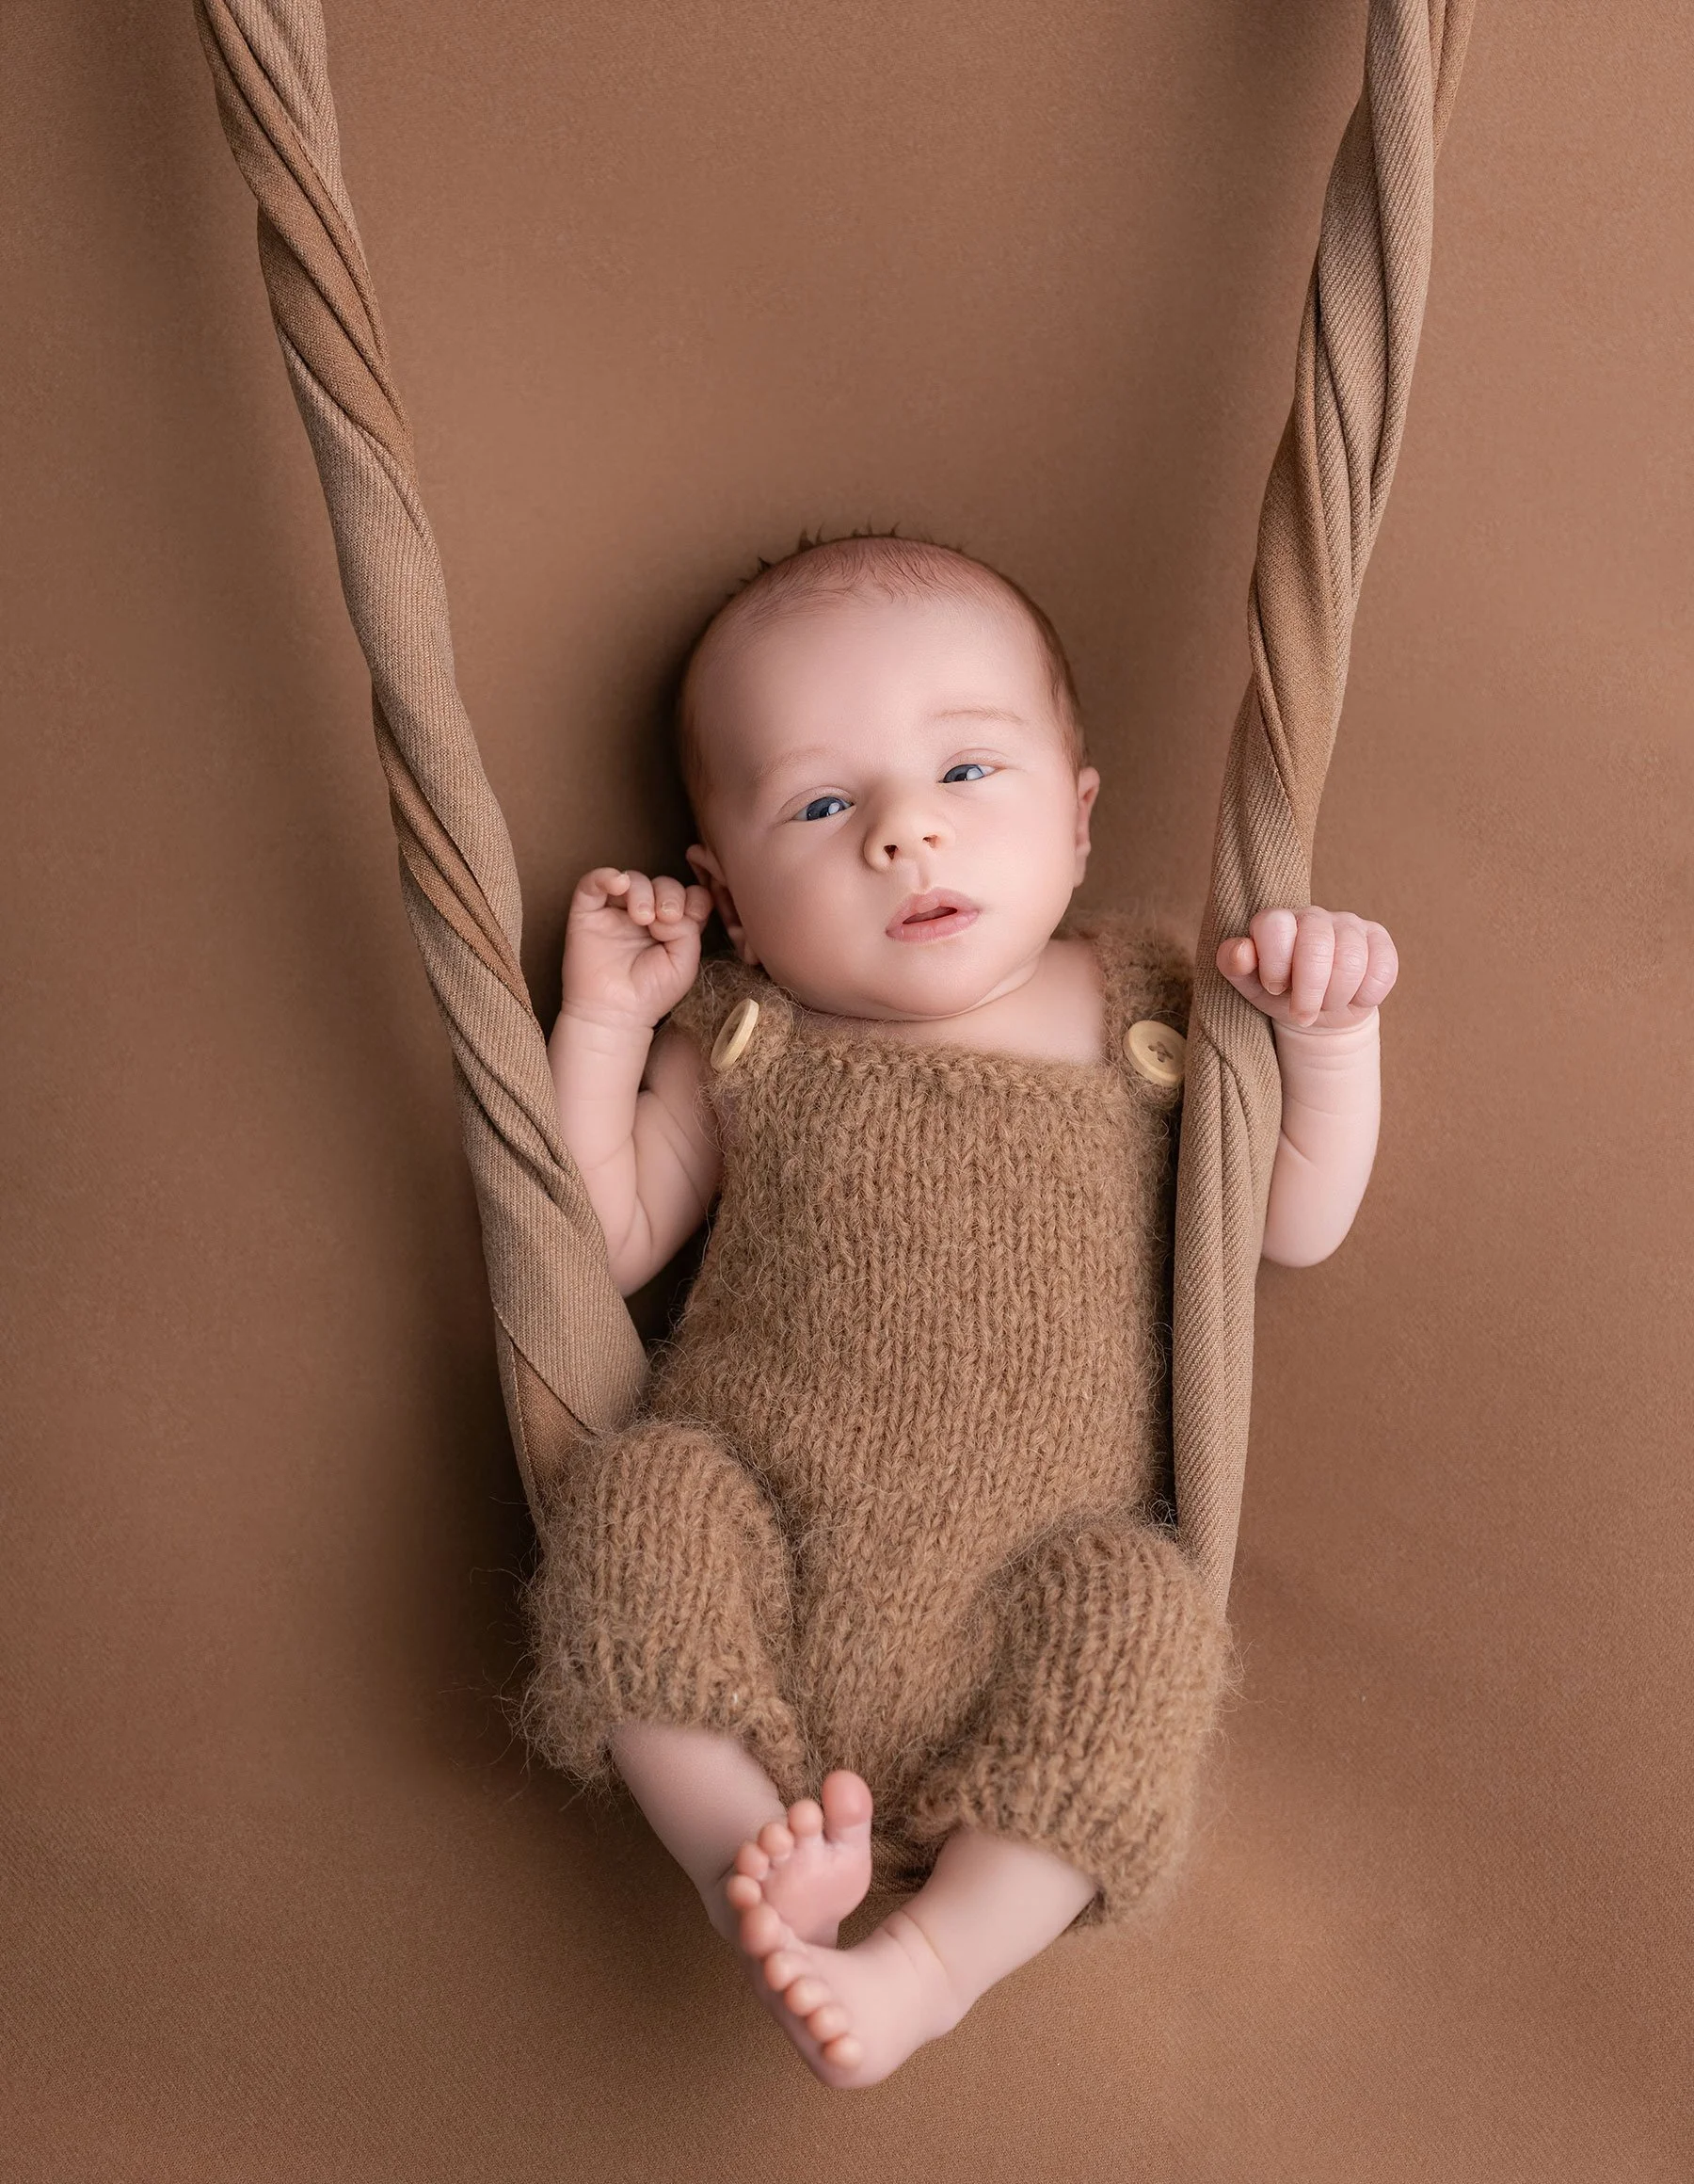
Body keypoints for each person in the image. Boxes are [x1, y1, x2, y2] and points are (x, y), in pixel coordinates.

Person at [530, 530, 1395, 2089]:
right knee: (633, 1504)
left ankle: (934, 1963)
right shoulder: (744, 1041)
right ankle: (756, 1871)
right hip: (763, 1561)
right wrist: (607, 1021)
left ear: (1077, 816)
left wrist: (1324, 1034)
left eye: (970, 775)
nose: (906, 836)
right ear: (727, 898)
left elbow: (1298, 1219)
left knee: (1146, 1624)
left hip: (1027, 1599)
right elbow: (594, 1234)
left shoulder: (1154, 1013)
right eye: (820, 803)